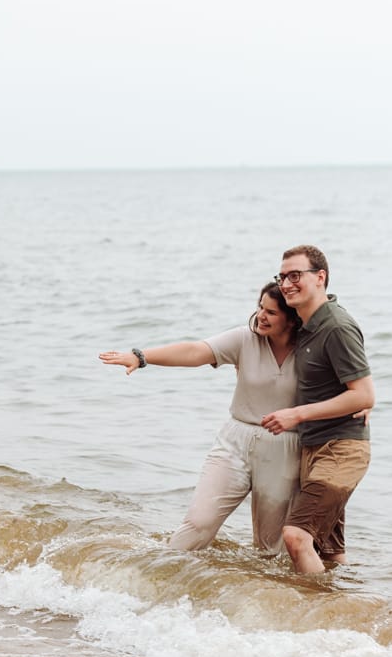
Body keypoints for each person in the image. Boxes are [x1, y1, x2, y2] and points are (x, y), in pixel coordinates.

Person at [99, 282, 302, 553]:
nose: (261, 316)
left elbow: (346, 385)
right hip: (235, 441)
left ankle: (257, 594)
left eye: (272, 312)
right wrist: (141, 357)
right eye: (260, 307)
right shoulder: (245, 338)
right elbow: (195, 351)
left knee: (269, 546)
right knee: (198, 522)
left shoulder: (311, 350)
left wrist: (360, 405)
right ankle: (162, 579)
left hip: (284, 447)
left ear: (291, 320)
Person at [261, 245, 374, 576]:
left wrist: (296, 415)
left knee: (296, 536)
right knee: (330, 552)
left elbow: (365, 395)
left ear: (320, 277)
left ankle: (314, 617)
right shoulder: (305, 322)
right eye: (282, 276)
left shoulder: (336, 326)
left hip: (341, 450)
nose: (287, 283)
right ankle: (344, 614)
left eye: (295, 275)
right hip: (315, 448)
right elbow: (266, 316)